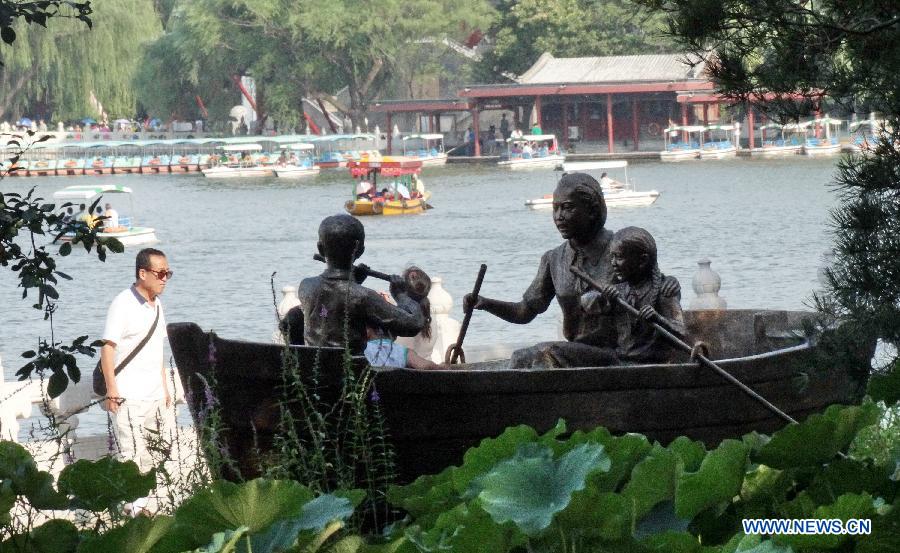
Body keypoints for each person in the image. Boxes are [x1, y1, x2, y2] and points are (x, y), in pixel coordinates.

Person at [464, 172, 678, 369]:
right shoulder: (554, 259)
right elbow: (525, 311)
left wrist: (670, 285)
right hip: (577, 356)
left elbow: (655, 285)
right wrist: (485, 303)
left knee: (539, 355)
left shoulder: (622, 251)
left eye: (567, 207)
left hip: (620, 356)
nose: (559, 216)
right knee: (523, 358)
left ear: (592, 210)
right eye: (555, 208)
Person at [100, 248, 175, 516]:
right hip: (129, 396)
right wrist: (112, 390)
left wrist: (165, 388)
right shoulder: (122, 303)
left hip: (155, 396)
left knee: (155, 456)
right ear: (142, 273)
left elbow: (157, 349)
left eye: (168, 273)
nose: (165, 278)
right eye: (160, 273)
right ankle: (132, 514)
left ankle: (148, 511)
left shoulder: (157, 305)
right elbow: (107, 349)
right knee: (130, 457)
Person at [296, 215, 426, 355]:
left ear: (320, 249)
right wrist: (401, 295)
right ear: (360, 250)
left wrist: (354, 280)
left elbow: (333, 304)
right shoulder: (364, 297)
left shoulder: (306, 286)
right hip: (351, 372)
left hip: (314, 368)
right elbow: (414, 323)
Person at [581, 227, 685, 364]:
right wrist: (601, 297)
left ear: (642, 261)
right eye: (611, 257)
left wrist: (658, 319)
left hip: (651, 365)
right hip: (620, 359)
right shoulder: (619, 290)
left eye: (618, 257)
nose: (613, 263)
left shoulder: (664, 289)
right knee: (555, 351)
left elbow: (680, 333)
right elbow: (586, 302)